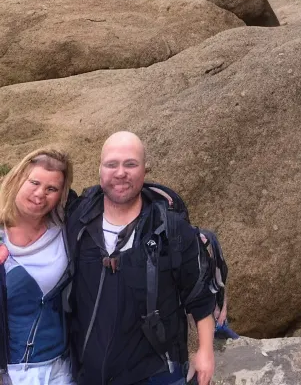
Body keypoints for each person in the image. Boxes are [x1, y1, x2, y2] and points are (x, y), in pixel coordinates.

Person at [66, 132, 216, 385]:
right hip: (88, 371)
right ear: (100, 170)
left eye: (131, 164)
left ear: (145, 170)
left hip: (153, 373)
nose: (121, 173)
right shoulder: (79, 219)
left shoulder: (170, 229)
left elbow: (200, 296)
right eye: (112, 164)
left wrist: (205, 351)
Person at [0, 148, 75, 385]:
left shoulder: (67, 229)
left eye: (52, 188)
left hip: (64, 368)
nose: (40, 194)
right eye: (34, 182)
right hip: (13, 372)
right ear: (18, 179)